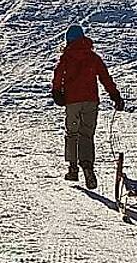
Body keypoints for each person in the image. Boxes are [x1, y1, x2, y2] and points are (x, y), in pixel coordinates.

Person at [52, 24, 127, 189]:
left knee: (72, 133)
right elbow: (105, 77)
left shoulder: (66, 57)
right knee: (86, 134)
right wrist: (115, 95)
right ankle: (87, 167)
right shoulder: (93, 57)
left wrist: (57, 92)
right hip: (91, 101)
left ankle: (73, 168)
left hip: (72, 102)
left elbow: (58, 76)